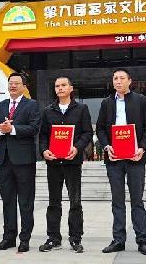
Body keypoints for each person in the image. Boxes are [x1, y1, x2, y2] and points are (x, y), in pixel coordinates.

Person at [96, 68, 146, 256]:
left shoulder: (141, 100)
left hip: (136, 157)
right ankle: (118, 240)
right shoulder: (106, 103)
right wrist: (107, 147)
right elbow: (100, 129)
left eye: (122, 78)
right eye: (115, 78)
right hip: (114, 159)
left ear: (130, 81)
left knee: (137, 200)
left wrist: (142, 148)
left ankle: (142, 240)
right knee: (117, 200)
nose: (118, 81)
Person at [38, 76, 93, 254]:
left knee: (75, 202)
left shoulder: (81, 109)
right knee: (53, 202)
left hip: (72, 162)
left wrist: (77, 148)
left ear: (71, 88)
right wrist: (44, 150)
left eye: (63, 85)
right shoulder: (48, 111)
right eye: (57, 86)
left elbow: (87, 133)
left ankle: (75, 239)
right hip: (53, 163)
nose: (60, 88)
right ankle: (53, 238)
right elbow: (43, 135)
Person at [0, 73, 40, 253]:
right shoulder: (0, 105)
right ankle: (9, 237)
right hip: (4, 161)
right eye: (10, 83)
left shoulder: (31, 105)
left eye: (16, 83)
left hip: (24, 161)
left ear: (24, 86)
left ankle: (24, 239)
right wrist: (0, 129)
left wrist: (12, 129)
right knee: (8, 201)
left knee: (25, 202)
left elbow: (34, 128)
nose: (12, 86)